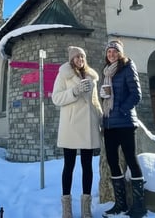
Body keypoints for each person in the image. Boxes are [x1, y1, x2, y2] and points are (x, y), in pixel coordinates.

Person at [52, 46, 103, 218]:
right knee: (69, 166)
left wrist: (100, 117)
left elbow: (95, 101)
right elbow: (56, 98)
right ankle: (67, 208)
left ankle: (86, 208)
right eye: (77, 57)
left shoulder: (91, 76)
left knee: (87, 166)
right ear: (71, 59)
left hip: (88, 126)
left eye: (82, 57)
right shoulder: (64, 74)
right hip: (71, 126)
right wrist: (74, 91)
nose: (80, 59)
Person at [100, 40, 147, 218]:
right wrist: (103, 95)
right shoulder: (106, 72)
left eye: (114, 51)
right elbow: (107, 96)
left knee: (131, 161)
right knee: (113, 162)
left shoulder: (127, 67)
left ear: (120, 53)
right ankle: (120, 204)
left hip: (126, 122)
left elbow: (136, 94)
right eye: (109, 51)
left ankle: (139, 206)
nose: (111, 54)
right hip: (110, 124)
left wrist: (120, 109)